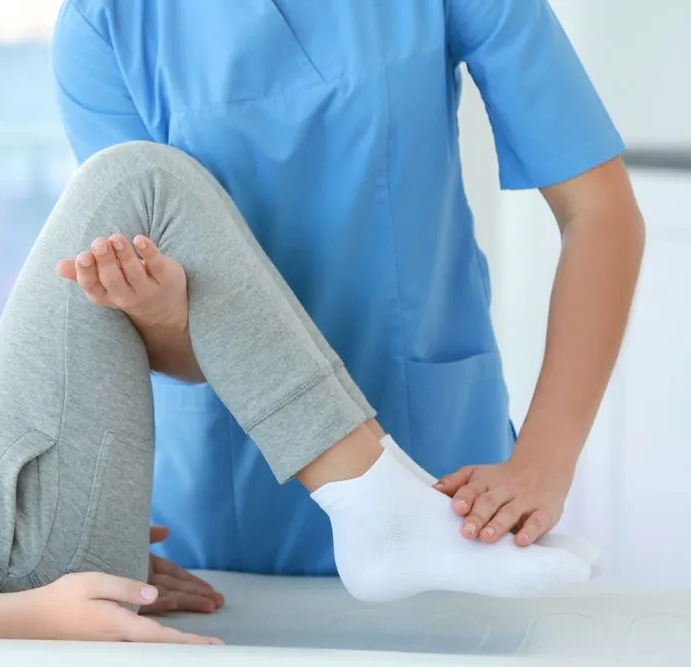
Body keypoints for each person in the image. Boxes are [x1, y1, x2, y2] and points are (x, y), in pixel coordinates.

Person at [0, 142, 593, 658]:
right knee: (137, 187)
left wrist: (71, 524)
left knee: (140, 201)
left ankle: (377, 501)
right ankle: (376, 505)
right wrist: (30, 610)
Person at [50, 0, 646, 575]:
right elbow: (156, 323)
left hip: (441, 473)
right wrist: (161, 313)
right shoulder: (104, 20)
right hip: (226, 499)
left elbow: (598, 210)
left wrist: (546, 458)